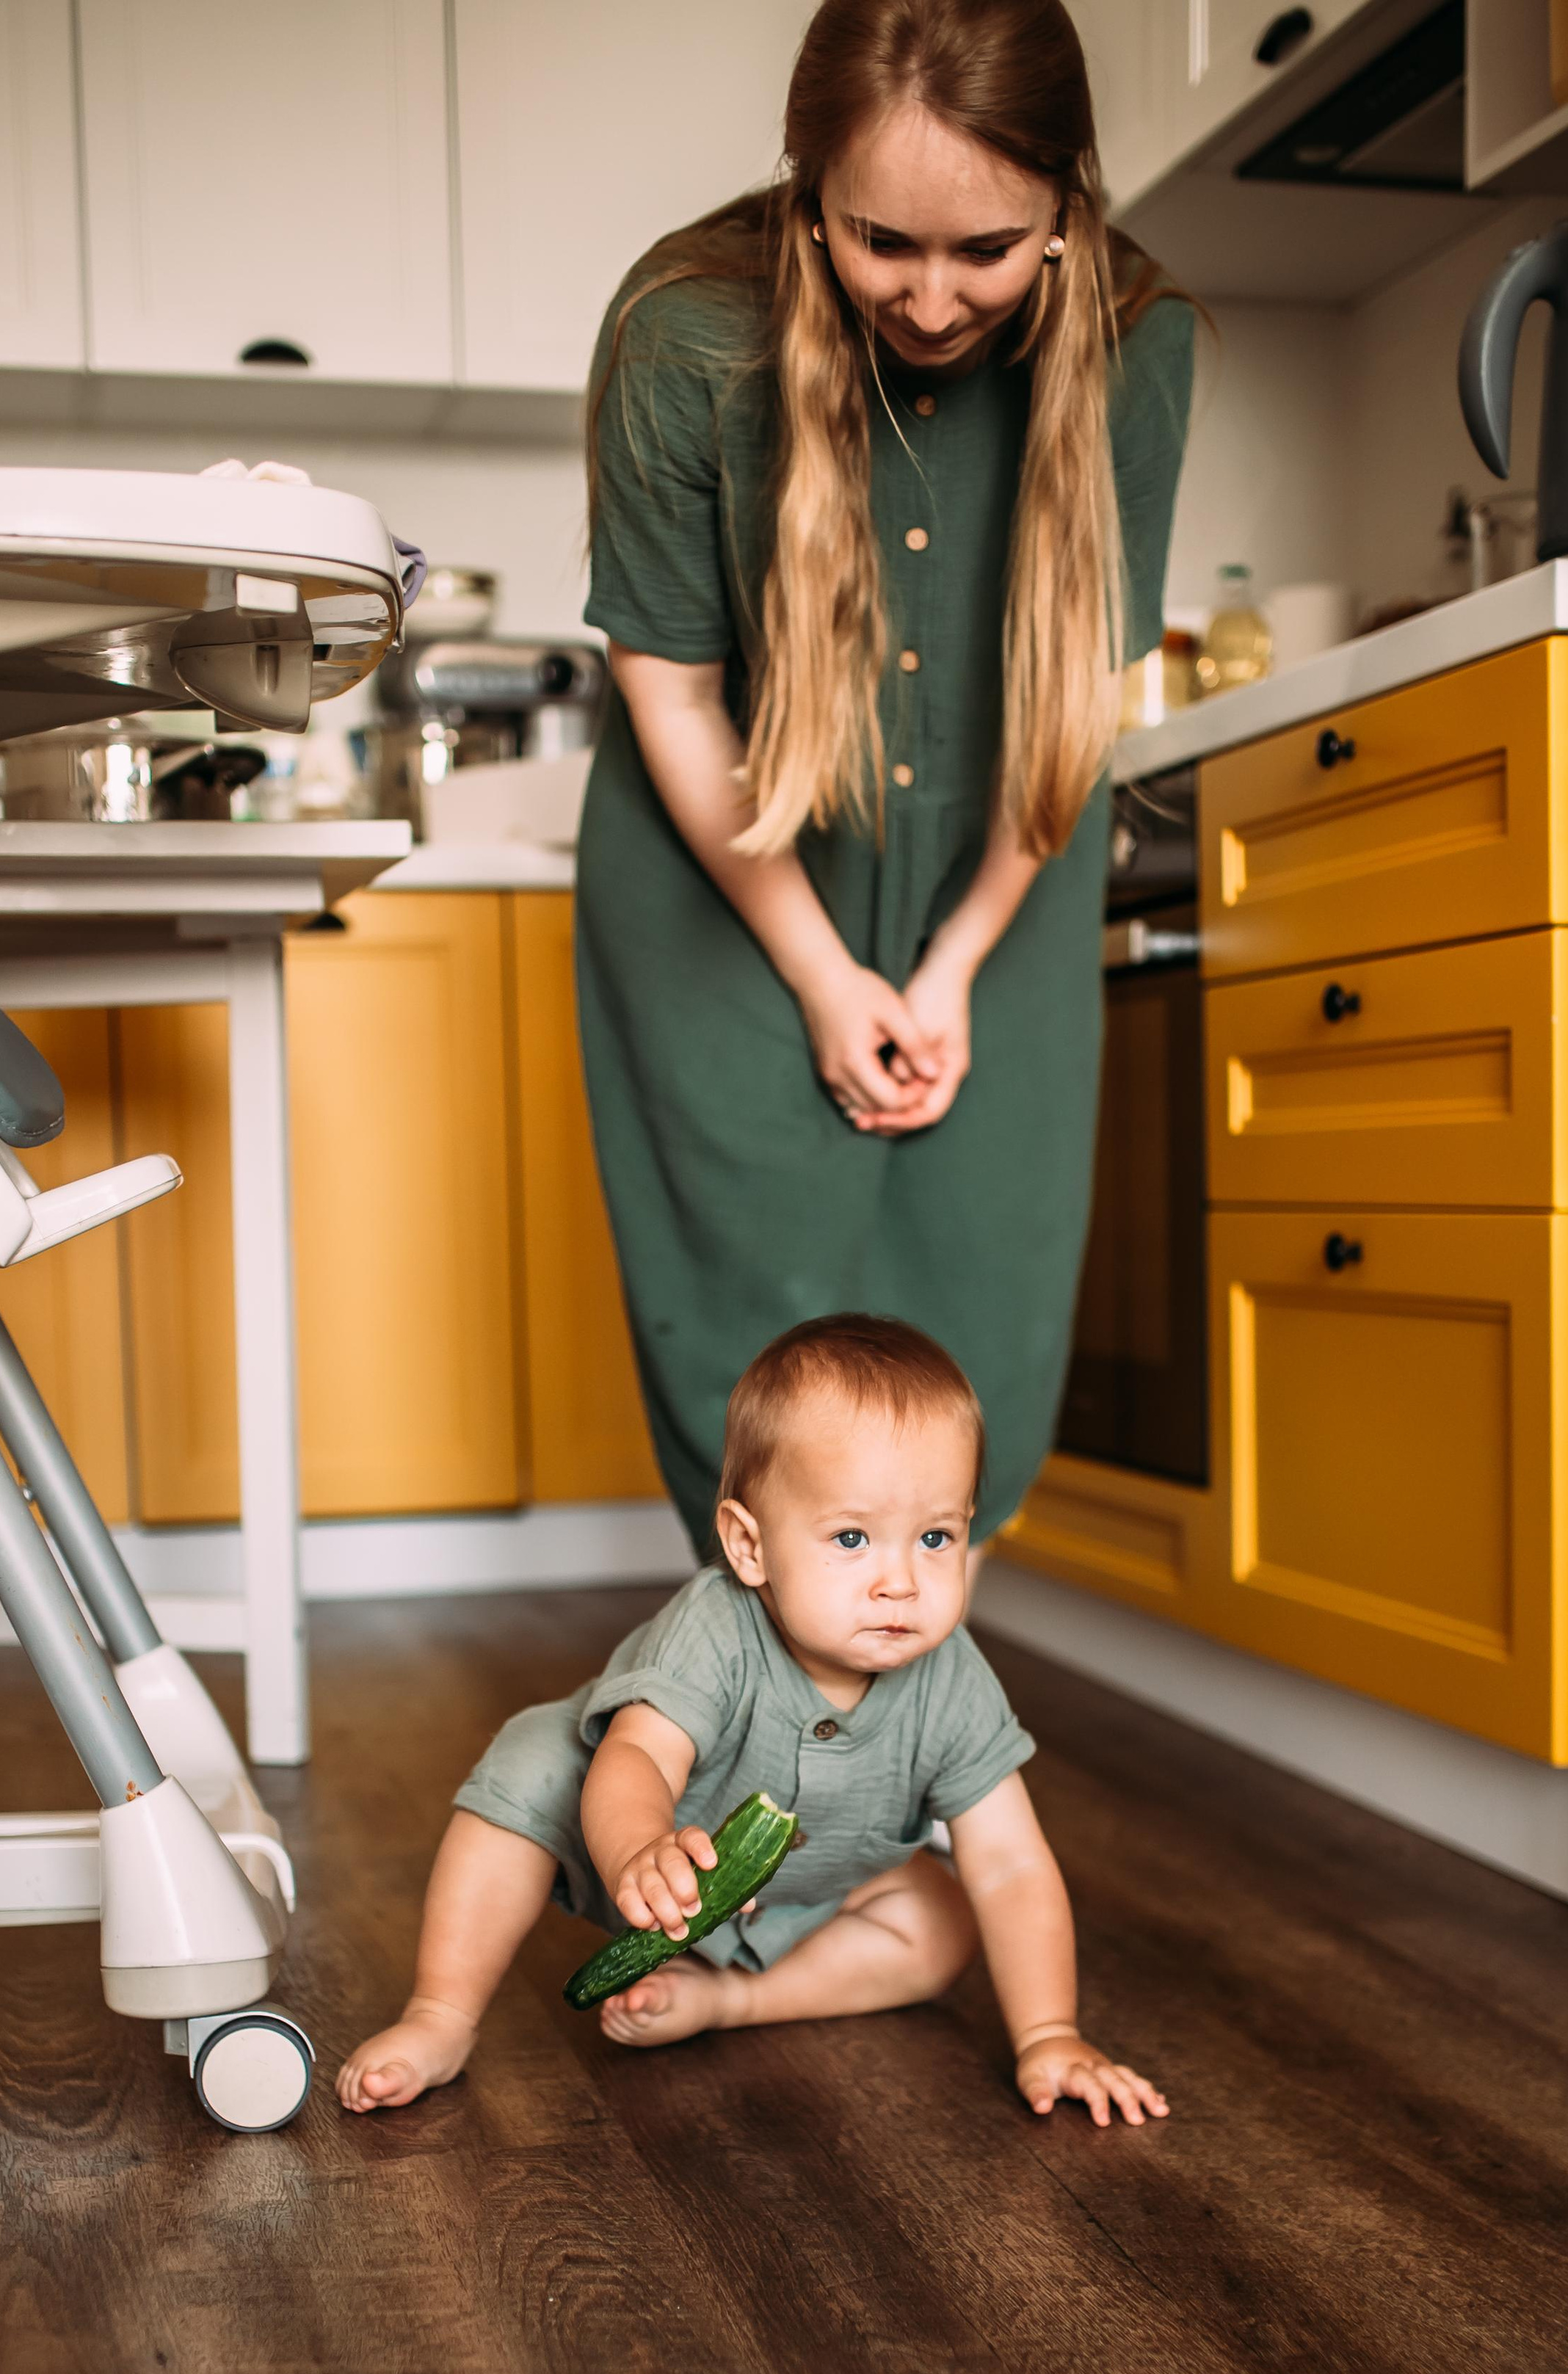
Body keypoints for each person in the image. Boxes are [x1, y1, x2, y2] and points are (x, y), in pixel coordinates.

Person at [576, 0, 1196, 1550]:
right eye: (878, 245)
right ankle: (775, 1763)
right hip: (724, 881)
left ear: (1063, 202)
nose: (929, 300)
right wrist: (818, 969)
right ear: (808, 191)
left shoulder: (1133, 334)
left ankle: (908, 1754)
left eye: (984, 250)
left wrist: (959, 958)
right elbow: (665, 679)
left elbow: (1075, 694)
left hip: (1007, 857)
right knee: (756, 1347)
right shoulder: (683, 329)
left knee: (980, 1322)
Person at [336, 1317, 1168, 2127]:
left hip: (812, 1891)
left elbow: (1013, 1866)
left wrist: (1051, 2033)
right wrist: (639, 1850)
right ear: (748, 1545)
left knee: (944, 1923)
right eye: (852, 1537)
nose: (901, 1581)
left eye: (935, 1536)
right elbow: (638, 1756)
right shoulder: (716, 1624)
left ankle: (736, 1999)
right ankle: (441, 2012)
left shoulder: (953, 1680)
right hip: (630, 1847)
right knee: (523, 1775)